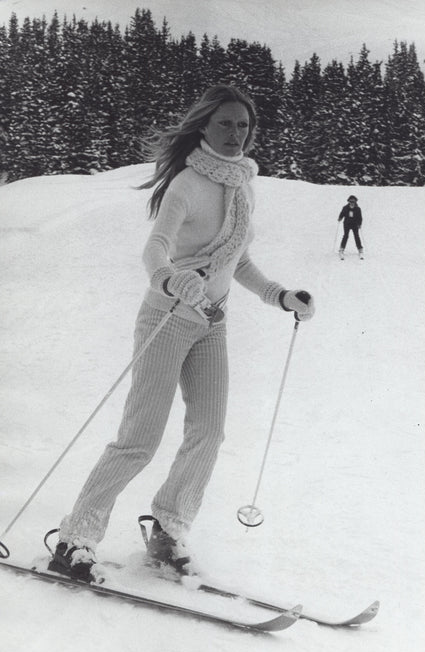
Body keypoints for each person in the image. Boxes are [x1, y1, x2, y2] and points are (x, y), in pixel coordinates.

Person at [47, 84, 315, 583]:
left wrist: (280, 295)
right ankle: (75, 538)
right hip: (166, 318)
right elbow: (156, 250)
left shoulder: (243, 185)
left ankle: (169, 529)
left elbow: (239, 260)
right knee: (139, 440)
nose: (237, 134)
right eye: (226, 124)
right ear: (204, 127)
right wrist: (173, 277)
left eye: (244, 125)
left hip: (212, 324)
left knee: (209, 432)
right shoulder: (188, 184)